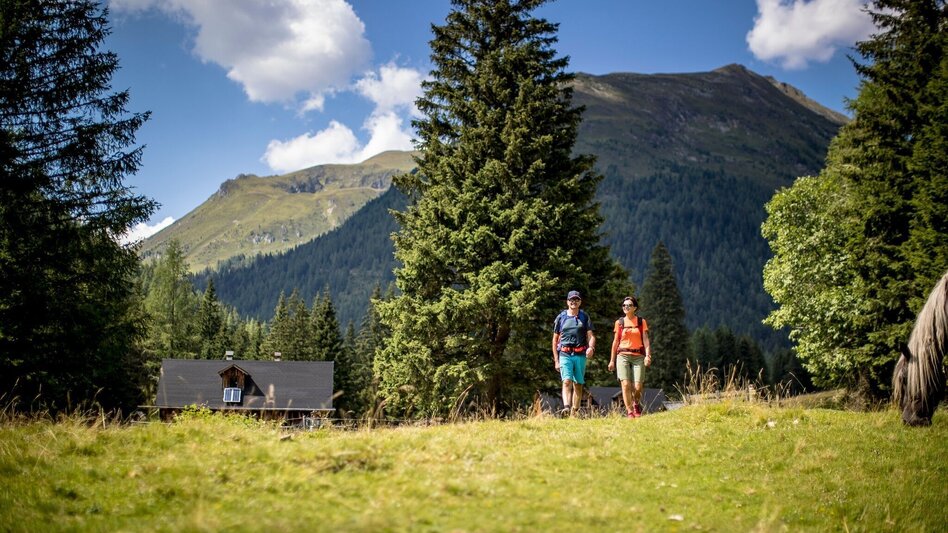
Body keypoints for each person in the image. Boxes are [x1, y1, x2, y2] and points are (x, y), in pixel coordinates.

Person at [552, 290, 595, 416]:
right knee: (566, 381)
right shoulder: (561, 317)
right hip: (565, 353)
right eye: (571, 300)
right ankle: (566, 407)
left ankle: (574, 411)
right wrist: (556, 360)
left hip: (580, 354)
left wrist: (591, 348)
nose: (573, 302)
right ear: (567, 302)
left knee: (578, 384)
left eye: (576, 300)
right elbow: (555, 340)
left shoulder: (584, 317)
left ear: (580, 302)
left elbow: (591, 336)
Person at [608, 296, 651, 418]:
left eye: (629, 305)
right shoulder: (619, 323)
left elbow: (646, 340)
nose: (626, 307)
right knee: (625, 384)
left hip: (638, 356)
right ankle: (630, 411)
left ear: (635, 308)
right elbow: (615, 342)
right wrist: (612, 360)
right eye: (624, 305)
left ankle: (636, 403)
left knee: (638, 386)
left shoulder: (641, 322)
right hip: (622, 355)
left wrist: (648, 356)